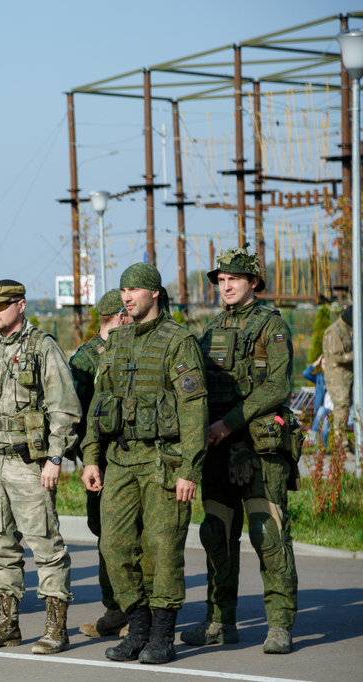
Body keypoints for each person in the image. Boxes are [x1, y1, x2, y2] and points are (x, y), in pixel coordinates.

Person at [80, 263, 208, 665]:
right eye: (123, 289)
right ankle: (136, 626)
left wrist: (190, 468)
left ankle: (162, 633)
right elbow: (99, 407)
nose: (127, 295)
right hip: (120, 459)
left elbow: (193, 409)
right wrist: (91, 458)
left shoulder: (178, 340)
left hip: (163, 462)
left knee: (163, 546)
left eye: (134, 288)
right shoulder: (116, 342)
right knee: (114, 544)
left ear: (155, 293)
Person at [182, 247, 300, 655]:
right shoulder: (211, 329)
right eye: (220, 280)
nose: (225, 285)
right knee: (216, 534)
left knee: (268, 534)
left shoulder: (272, 326)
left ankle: (280, 624)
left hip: (258, 448)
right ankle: (219, 621)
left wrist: (228, 422)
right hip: (218, 449)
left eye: (233, 278)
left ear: (253, 282)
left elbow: (278, 387)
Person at [0, 280, 80, 654]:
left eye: (1, 305)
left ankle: (55, 628)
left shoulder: (42, 348)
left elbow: (65, 408)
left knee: (45, 543)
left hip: (29, 463)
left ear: (21, 305)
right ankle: (5, 625)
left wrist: (55, 458)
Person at [68, 289, 140, 638]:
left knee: (137, 535)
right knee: (105, 535)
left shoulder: (134, 348)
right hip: (102, 461)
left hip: (134, 458)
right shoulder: (85, 359)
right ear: (120, 317)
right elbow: (76, 415)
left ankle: (136, 610)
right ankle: (116, 609)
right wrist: (87, 458)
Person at [322, 305, 353, 450]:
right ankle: (341, 448)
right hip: (337, 379)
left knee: (348, 410)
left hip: (350, 378)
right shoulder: (334, 331)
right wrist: (357, 354)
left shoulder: (350, 328)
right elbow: (337, 356)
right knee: (341, 409)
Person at [302, 356, 329, 445]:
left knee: (322, 410)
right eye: (323, 364)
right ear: (321, 365)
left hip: (333, 410)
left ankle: (312, 436)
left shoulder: (336, 378)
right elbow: (305, 373)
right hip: (322, 413)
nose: (325, 366)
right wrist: (316, 363)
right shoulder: (319, 378)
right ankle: (320, 452)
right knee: (325, 424)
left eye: (327, 364)